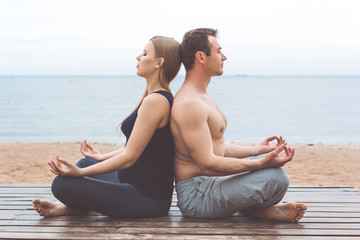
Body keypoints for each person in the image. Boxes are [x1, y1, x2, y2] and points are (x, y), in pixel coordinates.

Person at [32, 36, 181, 218]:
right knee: (87, 162)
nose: (138, 57)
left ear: (159, 62)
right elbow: (134, 147)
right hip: (128, 182)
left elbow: (130, 157)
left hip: (145, 198)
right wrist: (101, 157)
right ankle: (69, 207)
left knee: (62, 184)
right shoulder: (154, 97)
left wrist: (81, 173)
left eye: (144, 53)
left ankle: (68, 206)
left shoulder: (156, 101)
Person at [170, 28, 307, 221]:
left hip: (212, 184)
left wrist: (256, 150)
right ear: (201, 57)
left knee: (266, 158)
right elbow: (208, 164)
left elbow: (216, 148)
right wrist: (259, 164)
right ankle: (257, 211)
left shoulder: (200, 96)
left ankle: (256, 211)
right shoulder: (189, 103)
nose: (224, 57)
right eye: (218, 52)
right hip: (197, 196)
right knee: (276, 178)